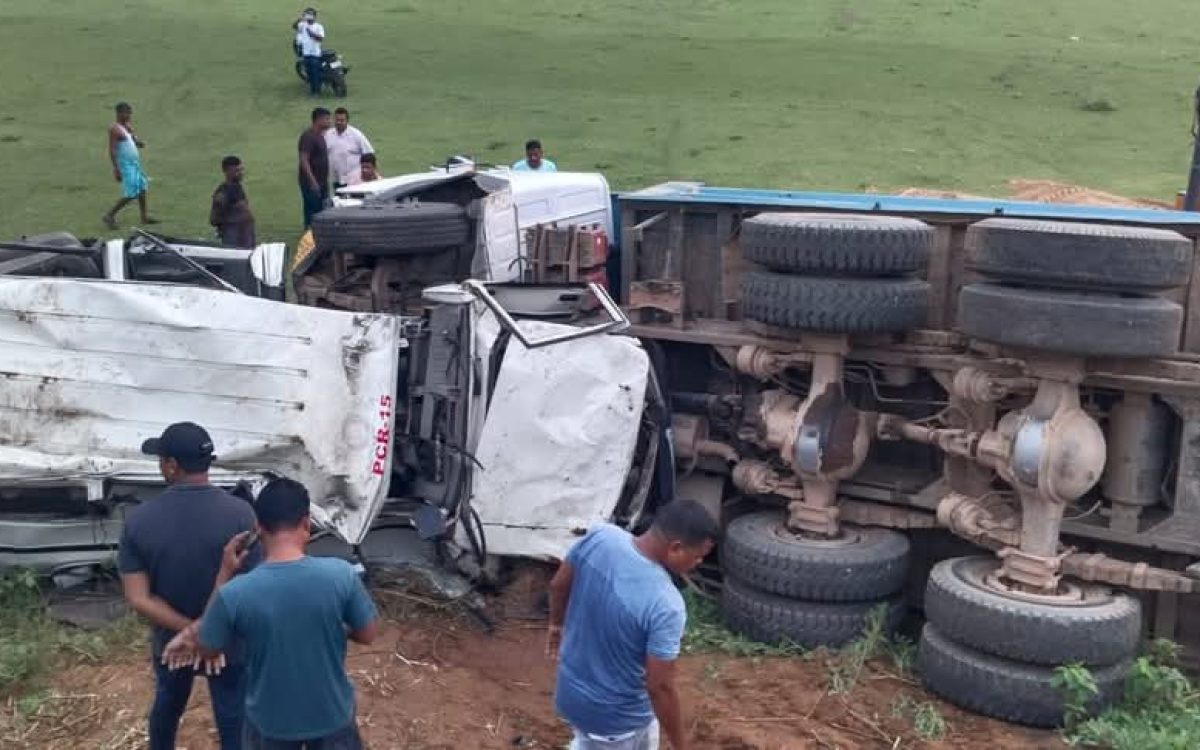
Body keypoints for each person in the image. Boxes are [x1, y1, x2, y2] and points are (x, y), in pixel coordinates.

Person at [163, 477, 380, 749]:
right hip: (332, 714)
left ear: (258, 527)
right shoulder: (341, 575)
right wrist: (333, 628)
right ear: (306, 524)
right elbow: (368, 633)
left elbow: (207, 647)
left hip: (269, 721)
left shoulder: (236, 593)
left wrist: (225, 572)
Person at [118, 422, 259, 750]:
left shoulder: (139, 521)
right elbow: (253, 587)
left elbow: (138, 597)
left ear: (171, 465)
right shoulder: (242, 514)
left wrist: (188, 632)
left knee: (167, 708)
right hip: (229, 643)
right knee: (234, 718)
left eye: (161, 459)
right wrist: (207, 633)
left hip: (172, 643)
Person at [549, 501, 720, 750]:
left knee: (588, 739)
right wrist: (680, 745)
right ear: (676, 548)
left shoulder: (601, 536)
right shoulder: (665, 604)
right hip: (616, 721)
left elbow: (557, 585)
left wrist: (556, 626)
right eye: (697, 556)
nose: (699, 562)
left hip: (570, 695)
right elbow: (659, 687)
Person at [103, 102, 157, 229]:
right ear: (119, 113)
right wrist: (116, 168)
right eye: (126, 113)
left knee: (142, 187)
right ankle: (109, 215)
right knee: (131, 192)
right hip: (125, 164)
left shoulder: (127, 126)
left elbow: (133, 139)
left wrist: (139, 143)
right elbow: (112, 149)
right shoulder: (114, 129)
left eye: (130, 113)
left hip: (134, 163)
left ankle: (144, 217)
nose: (129, 116)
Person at [210, 156, 256, 248]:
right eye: (236, 171)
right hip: (234, 238)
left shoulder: (237, 187)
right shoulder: (223, 192)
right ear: (226, 171)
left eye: (241, 170)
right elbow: (214, 219)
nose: (240, 173)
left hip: (244, 235)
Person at [325, 108, 375, 190]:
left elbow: (369, 154)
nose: (339, 122)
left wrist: (370, 174)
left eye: (342, 120)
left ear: (347, 121)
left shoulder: (356, 135)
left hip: (354, 180)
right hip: (336, 179)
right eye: (337, 120)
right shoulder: (328, 134)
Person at [299, 107, 332, 228]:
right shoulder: (308, 137)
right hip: (312, 183)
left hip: (321, 182)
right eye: (327, 119)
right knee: (313, 211)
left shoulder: (320, 136)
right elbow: (304, 160)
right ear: (318, 120)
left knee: (322, 210)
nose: (330, 122)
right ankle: (310, 234)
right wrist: (312, 181)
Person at [295, 8, 326, 96]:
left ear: (314, 17)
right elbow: (294, 26)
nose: (308, 16)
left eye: (310, 15)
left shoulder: (319, 26)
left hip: (315, 54)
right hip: (306, 53)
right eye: (307, 14)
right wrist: (299, 19)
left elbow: (320, 38)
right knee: (309, 73)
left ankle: (317, 91)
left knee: (315, 73)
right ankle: (313, 91)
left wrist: (311, 33)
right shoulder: (302, 25)